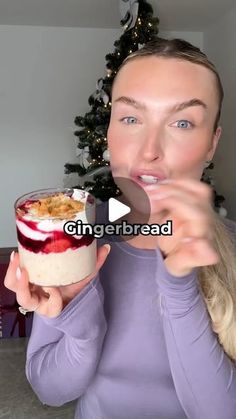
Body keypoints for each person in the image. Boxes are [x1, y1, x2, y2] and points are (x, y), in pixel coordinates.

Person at [4, 38, 236, 419]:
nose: (149, 150)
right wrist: (77, 321)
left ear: (212, 143)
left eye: (182, 122)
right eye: (130, 118)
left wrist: (179, 289)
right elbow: (49, 391)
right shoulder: (74, 238)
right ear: (109, 132)